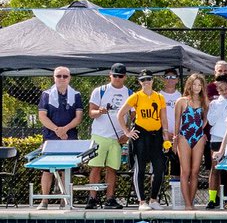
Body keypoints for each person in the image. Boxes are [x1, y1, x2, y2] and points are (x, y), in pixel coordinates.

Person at [114, 70, 167, 211]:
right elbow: (120, 114)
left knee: (159, 167)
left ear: (153, 80)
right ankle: (141, 201)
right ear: (140, 82)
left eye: (148, 79)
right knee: (140, 168)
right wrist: (127, 132)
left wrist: (166, 134)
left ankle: (154, 199)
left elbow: (164, 118)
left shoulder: (159, 97)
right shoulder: (136, 97)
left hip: (157, 135)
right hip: (141, 135)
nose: (146, 82)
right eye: (143, 80)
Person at [35, 66, 83, 209]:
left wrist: (65, 129)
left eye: (65, 76)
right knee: (47, 170)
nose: (62, 79)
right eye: (59, 76)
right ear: (54, 78)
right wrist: (57, 130)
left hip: (69, 136)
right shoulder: (46, 94)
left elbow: (79, 117)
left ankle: (65, 201)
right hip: (50, 137)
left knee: (66, 169)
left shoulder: (76, 95)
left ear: (70, 78)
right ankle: (44, 201)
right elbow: (42, 116)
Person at [85, 63, 131, 209]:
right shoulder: (100, 91)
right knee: (96, 167)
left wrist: (127, 133)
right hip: (99, 135)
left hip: (117, 137)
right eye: (115, 75)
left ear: (125, 77)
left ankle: (109, 199)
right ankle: (92, 198)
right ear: (109, 75)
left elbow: (134, 116)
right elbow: (91, 113)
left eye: (121, 76)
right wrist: (100, 111)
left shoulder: (130, 93)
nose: (117, 78)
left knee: (112, 168)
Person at [173, 73, 208, 210]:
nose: (197, 87)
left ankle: (191, 202)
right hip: (184, 137)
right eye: (194, 84)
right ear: (190, 85)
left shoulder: (204, 102)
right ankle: (187, 204)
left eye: (199, 85)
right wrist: (175, 140)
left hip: (198, 137)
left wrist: (201, 130)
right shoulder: (182, 101)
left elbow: (205, 119)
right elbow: (177, 122)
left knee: (195, 171)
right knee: (185, 171)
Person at [205, 75, 227, 209]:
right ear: (218, 91)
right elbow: (211, 121)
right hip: (217, 138)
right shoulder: (214, 103)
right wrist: (221, 104)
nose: (225, 92)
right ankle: (212, 199)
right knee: (215, 168)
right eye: (221, 90)